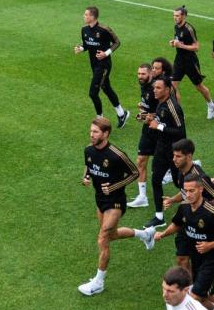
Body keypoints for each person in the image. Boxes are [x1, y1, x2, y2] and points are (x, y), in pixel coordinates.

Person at [78, 118, 156, 296]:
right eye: (91, 131)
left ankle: (98, 282)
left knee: (103, 237)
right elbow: (89, 166)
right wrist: (86, 177)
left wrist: (113, 186)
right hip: (100, 200)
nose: (92, 135)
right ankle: (145, 234)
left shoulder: (116, 154)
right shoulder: (88, 150)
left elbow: (135, 173)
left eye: (96, 132)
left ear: (105, 134)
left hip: (116, 201)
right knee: (112, 235)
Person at [154, 174, 214, 310]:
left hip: (212, 259)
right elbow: (177, 224)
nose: (188, 194)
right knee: (202, 293)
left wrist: (211, 245)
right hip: (196, 259)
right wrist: (163, 233)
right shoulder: (184, 207)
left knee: (194, 297)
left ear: (201, 189)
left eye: (192, 190)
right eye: (186, 191)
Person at [162, 139, 214, 273]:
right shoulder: (182, 171)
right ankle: (189, 289)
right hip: (188, 220)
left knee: (202, 262)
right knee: (181, 259)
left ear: (189, 156)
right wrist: (173, 200)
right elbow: (184, 192)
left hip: (201, 224)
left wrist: (203, 212)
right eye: (174, 156)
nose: (174, 159)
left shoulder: (200, 178)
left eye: (178, 156)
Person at [74, 6, 129, 127]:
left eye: (86, 14)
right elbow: (87, 44)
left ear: (92, 17)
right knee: (105, 87)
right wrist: (81, 48)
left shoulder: (104, 29)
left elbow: (117, 42)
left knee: (93, 93)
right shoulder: (84, 30)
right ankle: (122, 113)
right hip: (94, 65)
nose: (84, 16)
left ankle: (100, 120)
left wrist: (106, 53)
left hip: (104, 65)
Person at [145, 78, 187, 228]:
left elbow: (181, 132)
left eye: (158, 88)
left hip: (174, 153)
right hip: (161, 149)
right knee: (156, 179)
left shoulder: (173, 107)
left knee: (179, 183)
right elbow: (160, 123)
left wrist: (159, 127)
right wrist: (149, 120)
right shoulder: (160, 104)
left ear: (168, 90)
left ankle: (195, 207)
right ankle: (159, 216)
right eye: (154, 87)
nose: (154, 90)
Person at [170, 6, 214, 119]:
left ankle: (211, 105)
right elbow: (179, 40)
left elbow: (196, 47)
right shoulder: (176, 26)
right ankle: (179, 113)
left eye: (177, 16)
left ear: (184, 16)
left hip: (190, 61)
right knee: (173, 86)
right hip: (179, 60)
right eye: (174, 15)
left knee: (199, 86)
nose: (175, 18)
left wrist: (180, 45)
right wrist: (174, 43)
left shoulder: (189, 29)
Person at [128, 63, 156, 208]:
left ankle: (193, 167)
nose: (140, 76)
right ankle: (142, 197)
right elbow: (149, 107)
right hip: (147, 130)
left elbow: (163, 111)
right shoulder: (144, 86)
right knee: (140, 160)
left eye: (143, 74)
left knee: (172, 162)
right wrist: (143, 110)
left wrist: (146, 116)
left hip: (159, 131)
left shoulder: (156, 89)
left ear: (150, 73)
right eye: (138, 73)